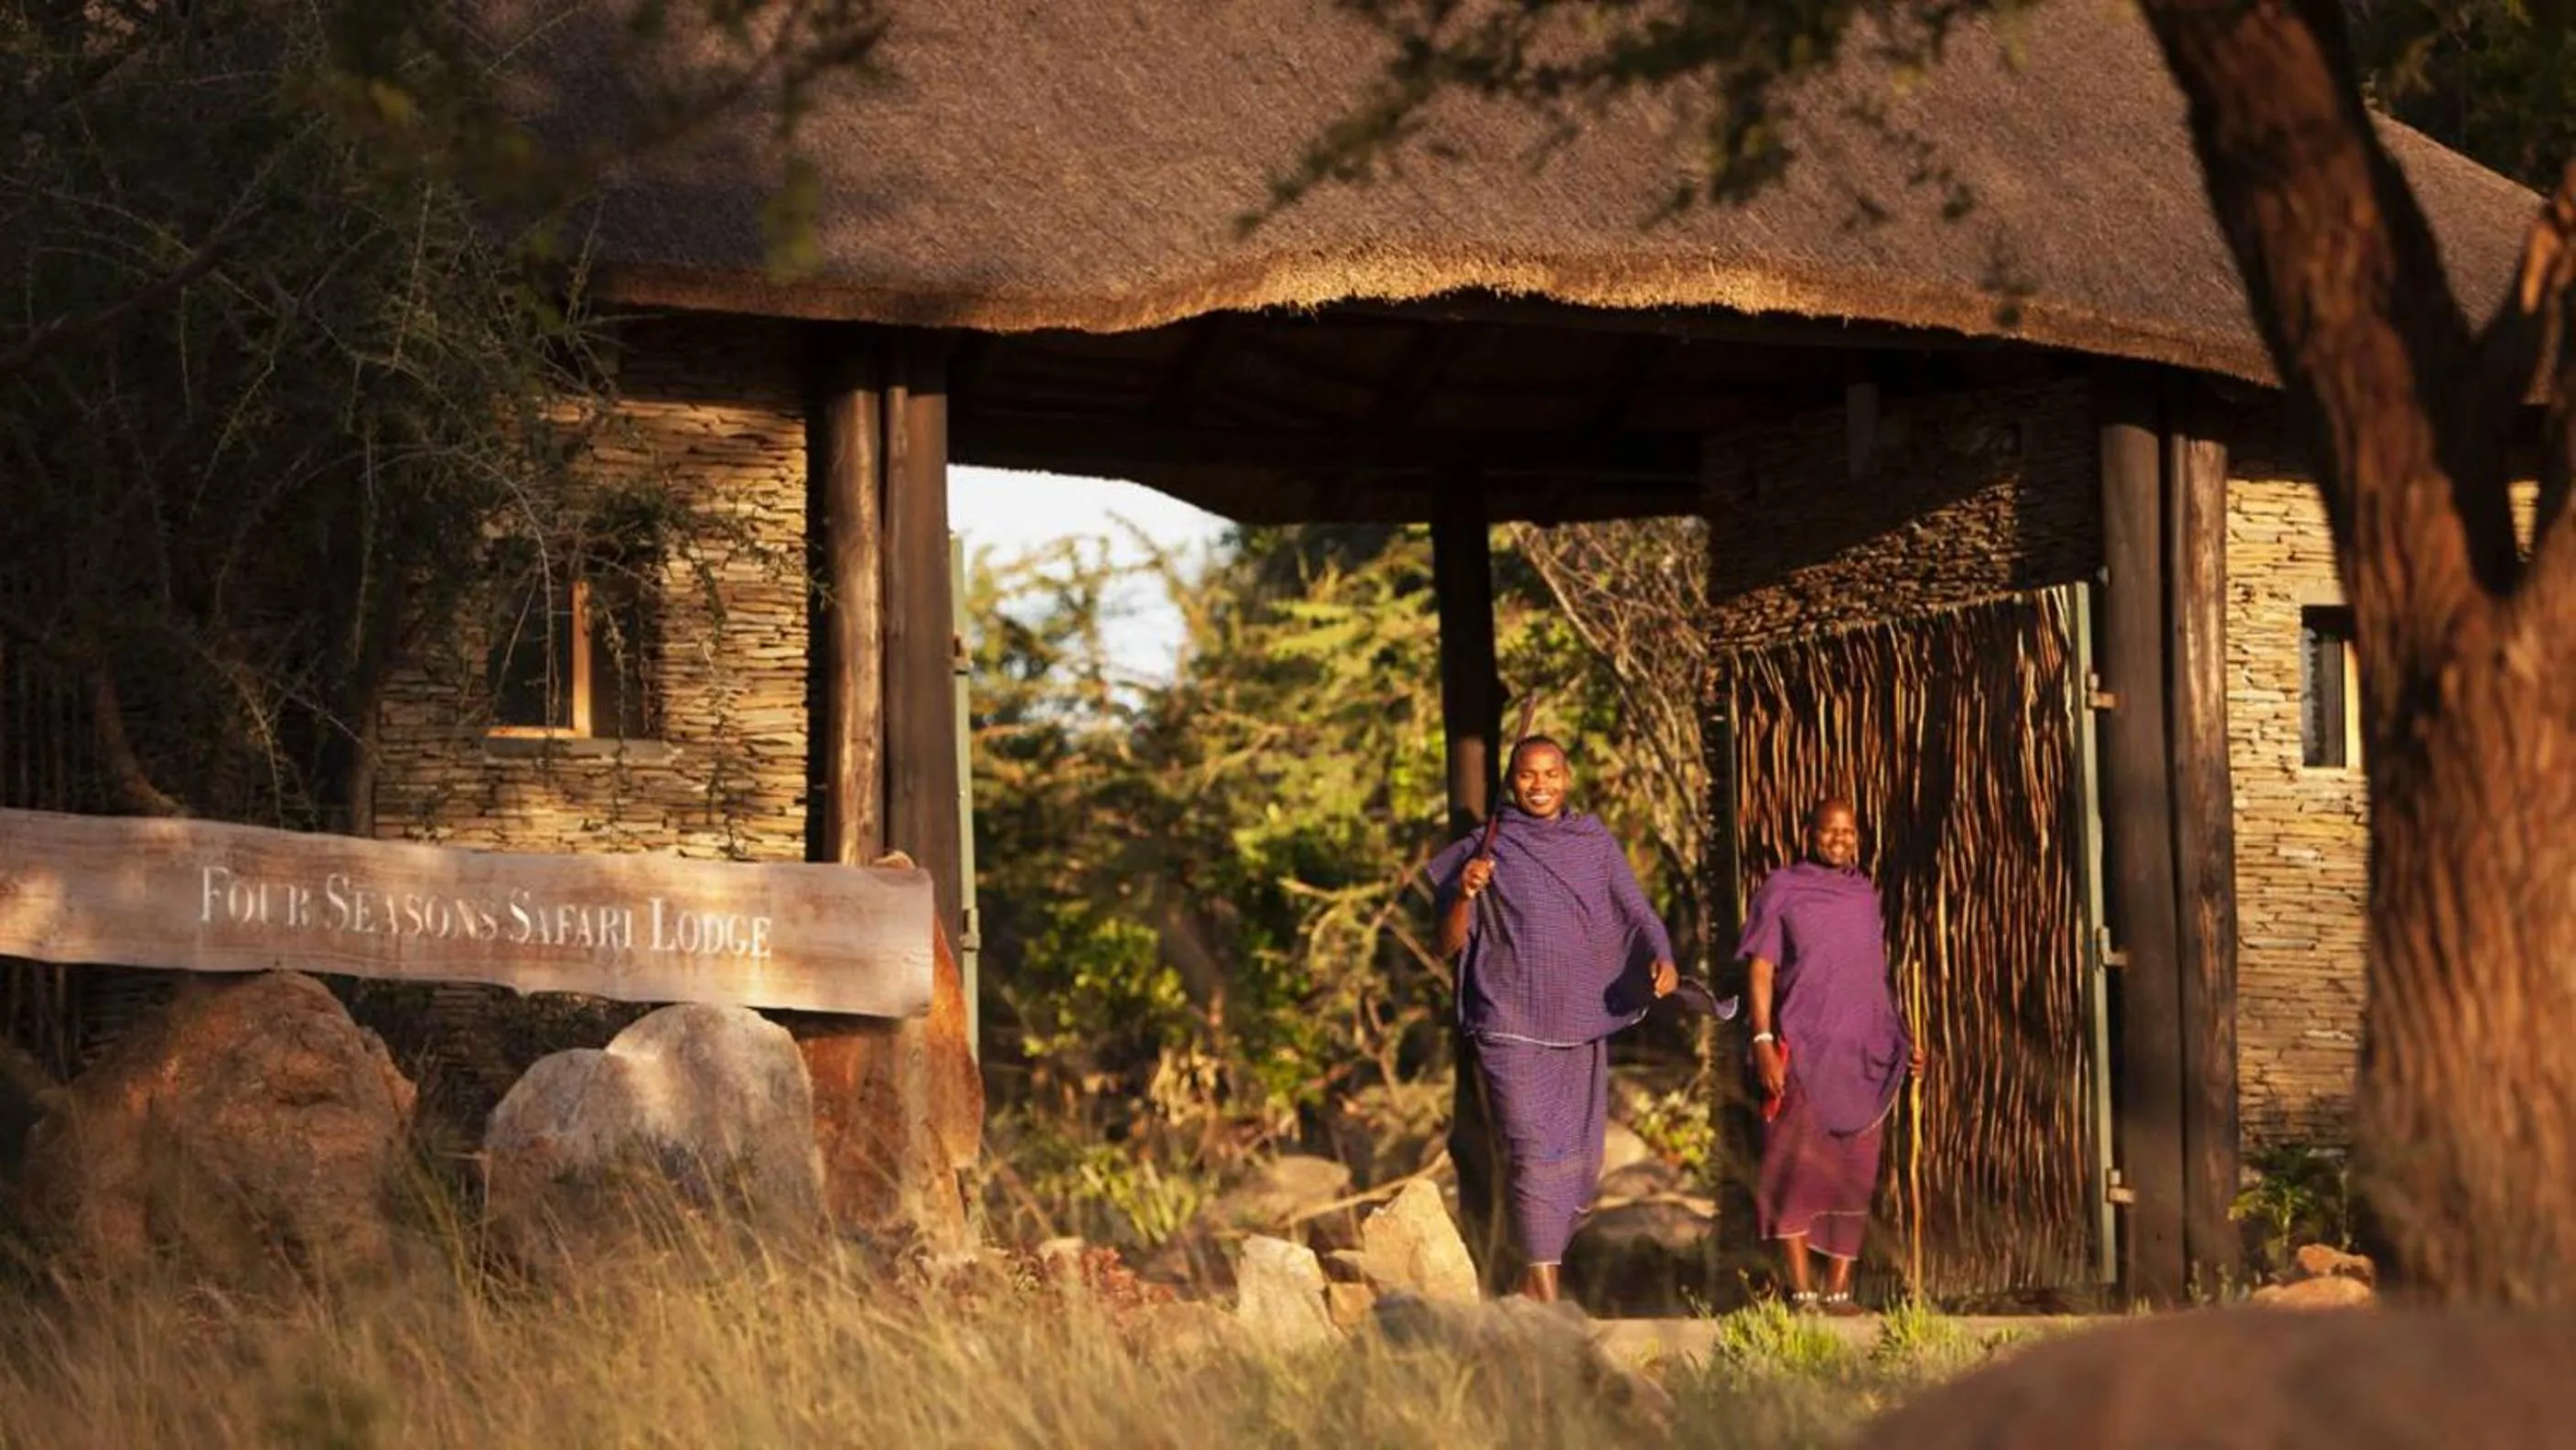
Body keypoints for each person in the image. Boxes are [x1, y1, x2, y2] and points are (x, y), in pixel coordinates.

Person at [1428, 735, 1690, 1303]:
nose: (1539, 785)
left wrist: (1663, 958)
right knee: (1530, 1148)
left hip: (1578, 1018)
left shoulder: (1591, 842)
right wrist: (1465, 895)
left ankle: (1529, 1282)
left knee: (1578, 1164)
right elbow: (1448, 945)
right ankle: (1548, 1297)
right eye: (1527, 775)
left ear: (1567, 778)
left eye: (1550, 774)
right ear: (1512, 782)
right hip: (1507, 1020)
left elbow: (1637, 909)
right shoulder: (1484, 848)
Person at [1738, 796, 1924, 1315]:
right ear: (1808, 832)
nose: (1839, 840)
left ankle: (1839, 1291)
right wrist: (1761, 1043)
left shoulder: (1864, 894)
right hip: (1804, 1050)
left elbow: (1868, 978)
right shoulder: (1782, 890)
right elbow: (1759, 971)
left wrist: (1900, 1043)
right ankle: (1800, 1293)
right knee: (1794, 1170)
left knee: (1854, 1173)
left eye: (1848, 832)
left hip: (1864, 1052)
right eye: (1829, 831)